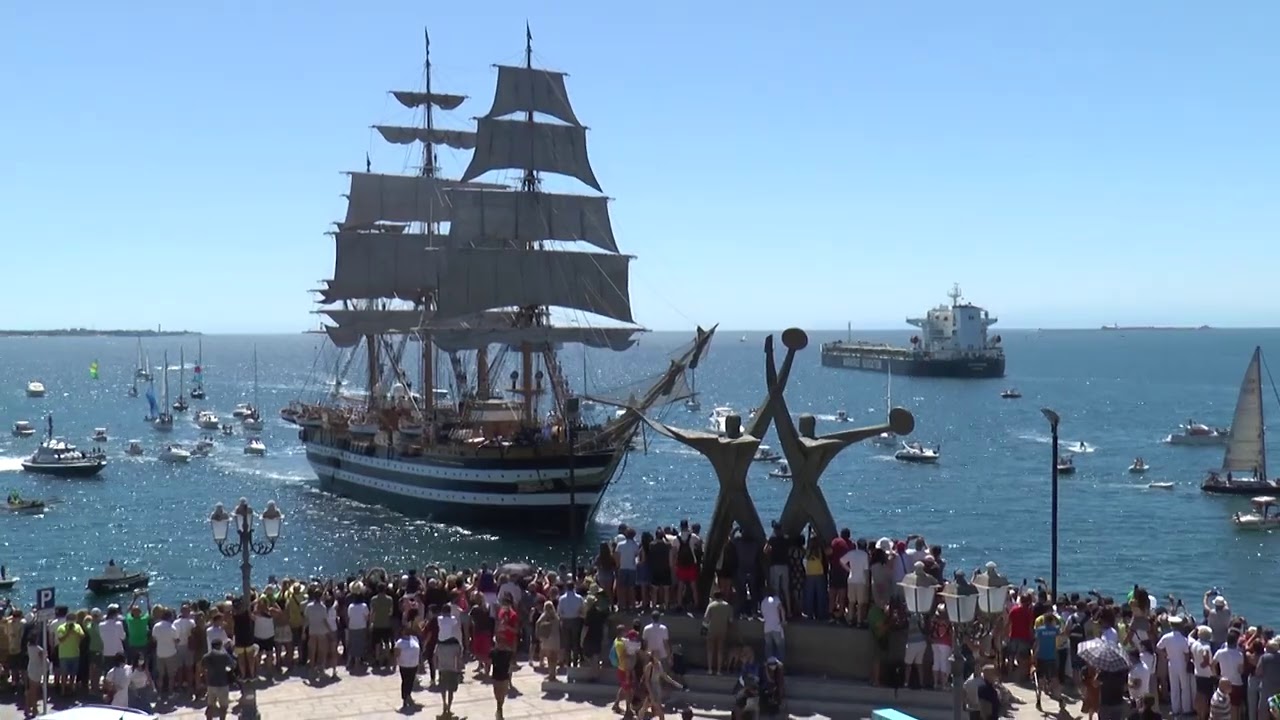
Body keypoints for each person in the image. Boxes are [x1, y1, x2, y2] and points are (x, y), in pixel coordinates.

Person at [202, 639, 236, 720]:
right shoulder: (224, 656)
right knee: (223, 707)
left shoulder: (206, 656)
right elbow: (233, 664)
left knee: (210, 705)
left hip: (211, 684)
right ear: (220, 646)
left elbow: (203, 667)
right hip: (223, 684)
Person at [393, 625, 421, 709]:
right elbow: (396, 653)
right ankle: (406, 697)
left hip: (408, 664)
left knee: (407, 681)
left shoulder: (402, 641)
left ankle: (406, 697)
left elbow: (396, 654)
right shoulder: (401, 642)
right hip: (408, 664)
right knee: (408, 681)